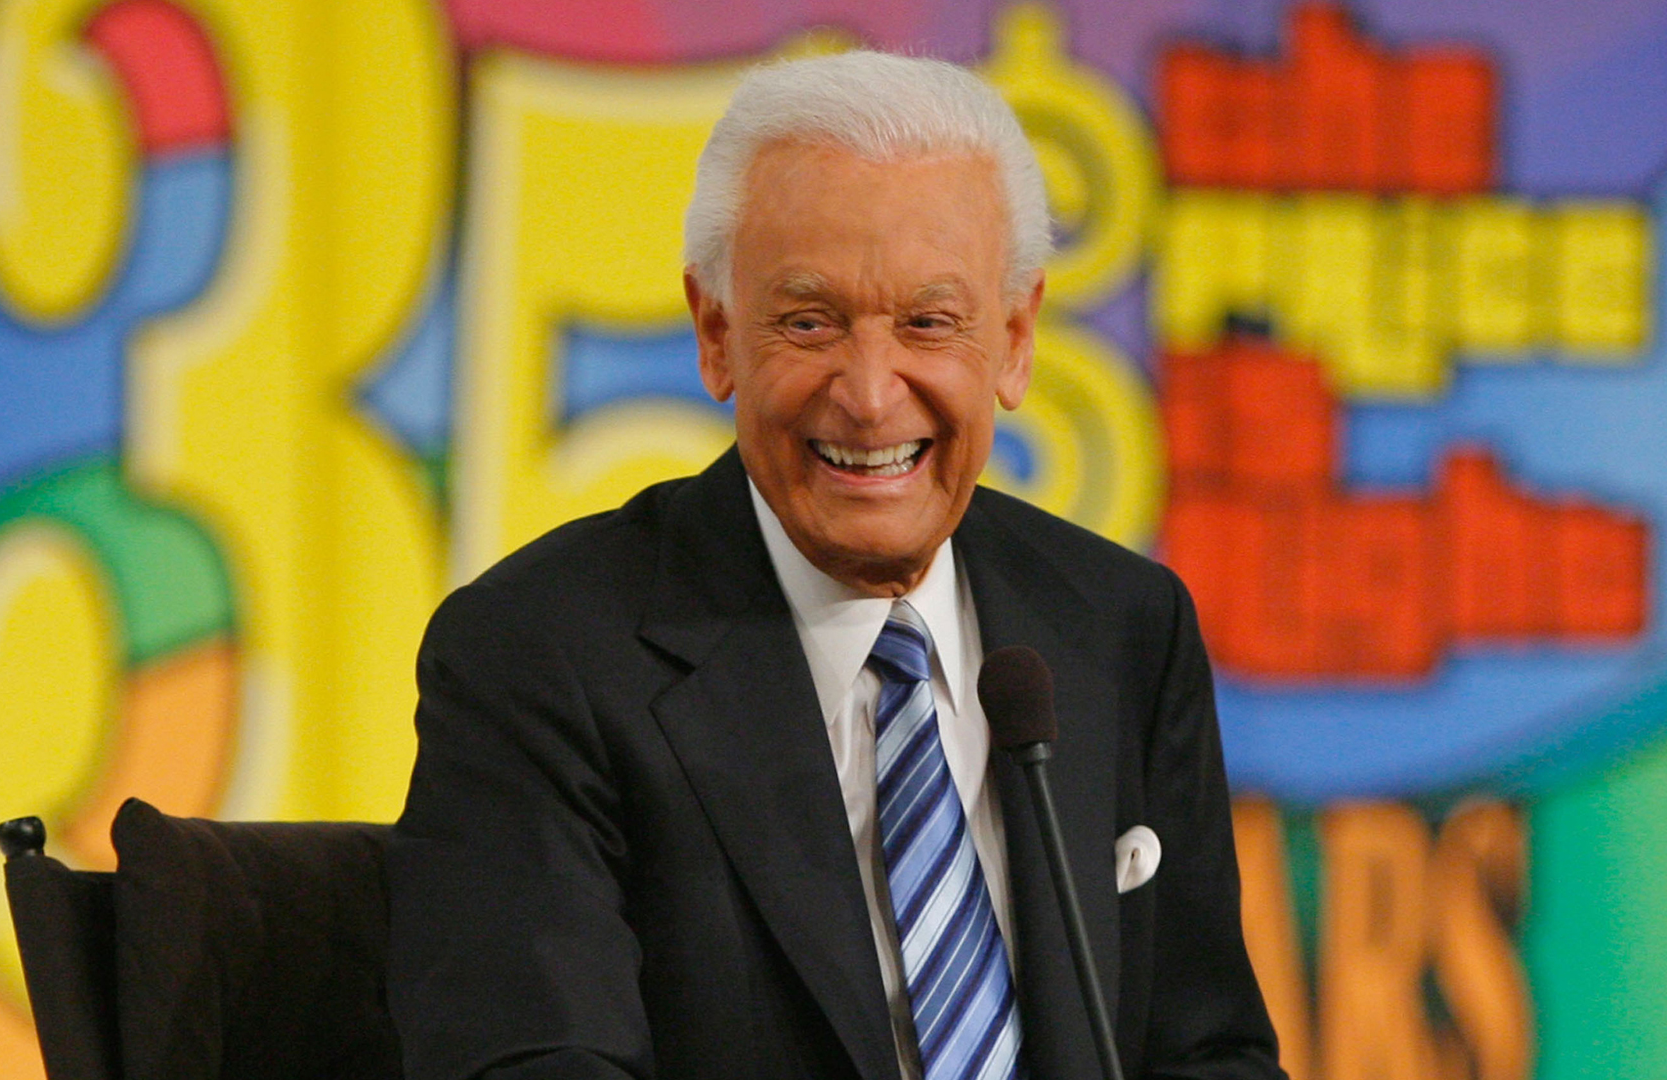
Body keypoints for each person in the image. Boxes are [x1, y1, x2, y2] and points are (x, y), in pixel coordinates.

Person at [388, 51, 1282, 1080]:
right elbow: (532, 1063)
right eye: (809, 322)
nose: (867, 394)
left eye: (927, 324)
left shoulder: (1120, 626)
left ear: (1017, 340)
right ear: (717, 334)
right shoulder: (541, 655)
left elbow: (1207, 1050)